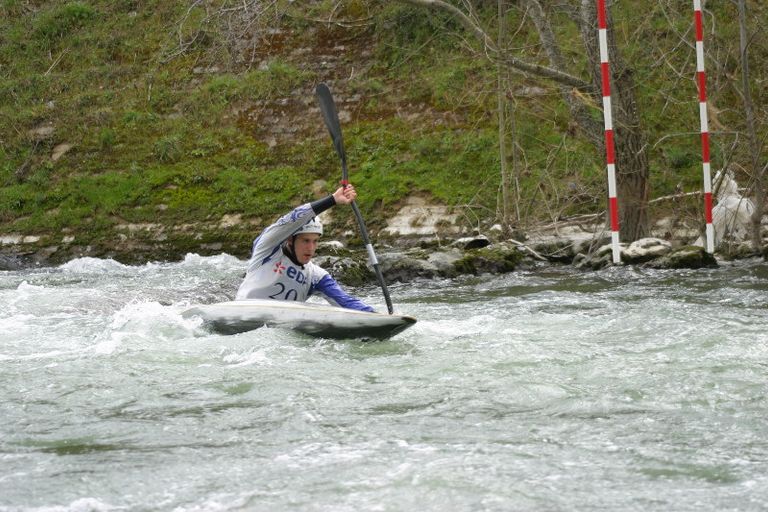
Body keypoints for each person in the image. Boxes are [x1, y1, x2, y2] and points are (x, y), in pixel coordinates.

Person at [235, 184, 374, 312]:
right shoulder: (266, 249)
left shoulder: (315, 276)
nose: (311, 248)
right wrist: (333, 200)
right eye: (305, 241)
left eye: (315, 241)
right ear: (290, 239)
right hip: (242, 313)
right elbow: (291, 219)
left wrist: (376, 316)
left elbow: (346, 302)